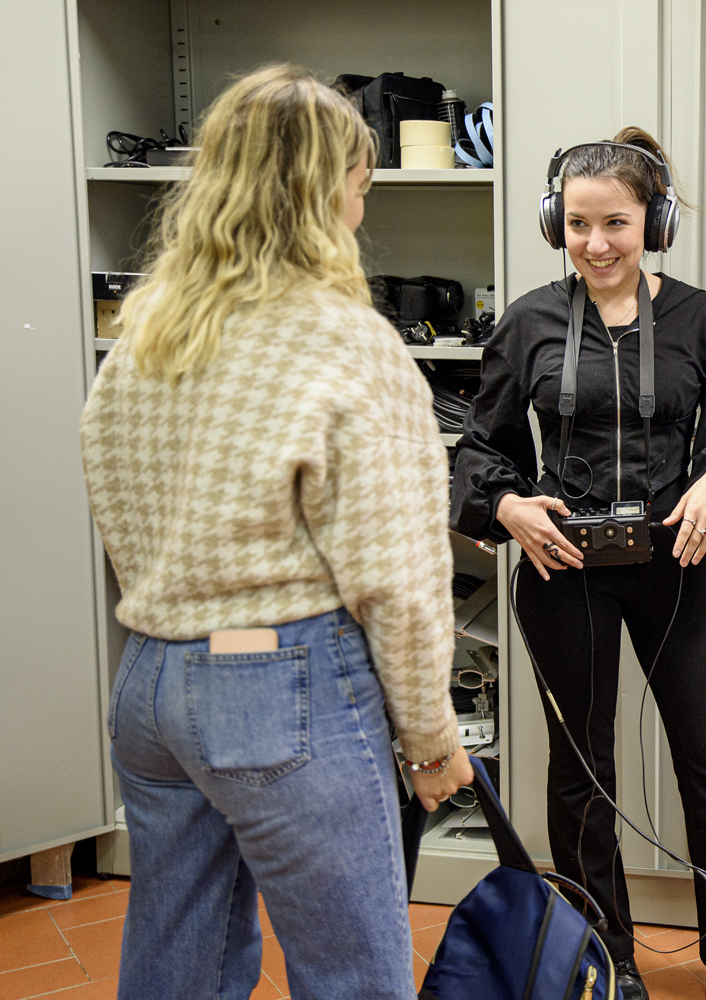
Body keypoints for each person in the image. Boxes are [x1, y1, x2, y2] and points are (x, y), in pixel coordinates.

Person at [79, 65, 470, 1000]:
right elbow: (401, 576)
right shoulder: (345, 340)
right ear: (319, 189)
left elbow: (110, 490)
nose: (361, 211)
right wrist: (429, 738)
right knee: (352, 973)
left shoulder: (148, 333)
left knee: (183, 964)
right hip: (281, 687)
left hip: (152, 683)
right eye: (358, 186)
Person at [449, 128, 706, 1000]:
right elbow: (479, 449)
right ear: (553, 224)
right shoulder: (529, 322)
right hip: (559, 570)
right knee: (580, 778)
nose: (597, 244)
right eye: (576, 225)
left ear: (656, 220)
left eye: (615, 222)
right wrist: (505, 505)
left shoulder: (701, 321)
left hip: (670, 566)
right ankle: (601, 965)